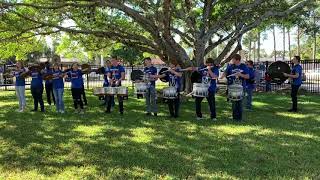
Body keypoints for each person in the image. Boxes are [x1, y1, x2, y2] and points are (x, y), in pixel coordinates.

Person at [221, 54, 249, 121]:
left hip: (241, 87)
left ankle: (239, 118)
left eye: (233, 59)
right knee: (234, 102)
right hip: (232, 87)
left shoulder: (243, 66)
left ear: (237, 60)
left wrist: (240, 74)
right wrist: (223, 75)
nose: (232, 60)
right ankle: (234, 117)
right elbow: (225, 73)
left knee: (239, 102)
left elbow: (247, 76)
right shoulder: (231, 66)